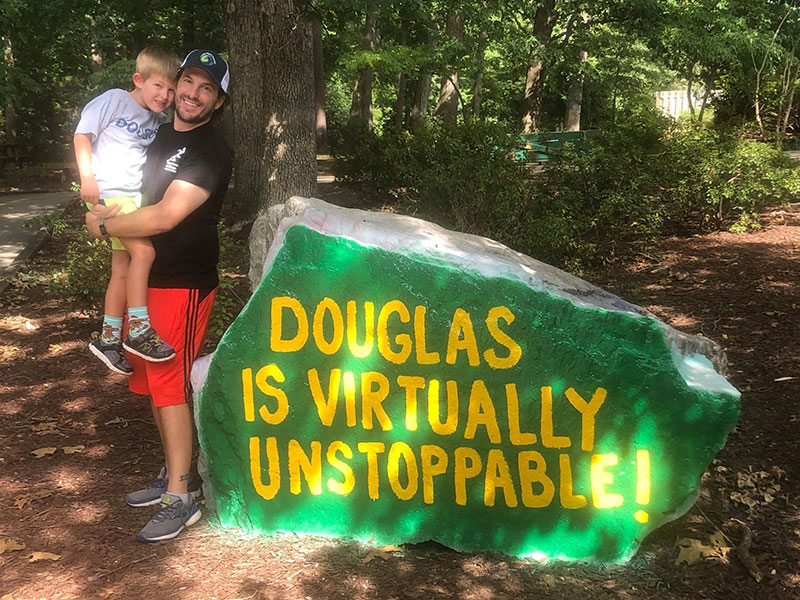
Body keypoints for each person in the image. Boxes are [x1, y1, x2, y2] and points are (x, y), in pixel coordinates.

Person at [86, 49, 233, 543]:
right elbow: (112, 170)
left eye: (205, 88)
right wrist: (98, 201)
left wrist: (104, 223)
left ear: (218, 100)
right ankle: (173, 472)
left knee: (169, 382)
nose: (191, 94)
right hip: (144, 281)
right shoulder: (153, 131)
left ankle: (181, 494)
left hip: (183, 281)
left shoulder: (211, 151)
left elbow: (166, 216)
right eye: (187, 82)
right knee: (150, 379)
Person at [75, 47, 182, 375]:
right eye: (158, 86)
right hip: (111, 195)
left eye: (171, 90)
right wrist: (87, 177)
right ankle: (137, 329)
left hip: (134, 198)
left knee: (122, 268)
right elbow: (82, 135)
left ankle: (108, 338)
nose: (164, 96)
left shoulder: (159, 119)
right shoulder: (114, 100)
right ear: (139, 80)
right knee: (145, 255)